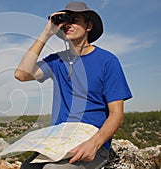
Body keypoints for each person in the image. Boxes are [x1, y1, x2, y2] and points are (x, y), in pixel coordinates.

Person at [14, 1, 132, 169]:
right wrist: (47, 32)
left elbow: (116, 115)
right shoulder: (57, 61)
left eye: (74, 19)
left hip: (91, 142)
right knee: (27, 167)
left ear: (89, 25)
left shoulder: (108, 61)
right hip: (60, 141)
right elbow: (21, 74)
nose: (68, 25)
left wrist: (94, 144)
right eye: (65, 21)